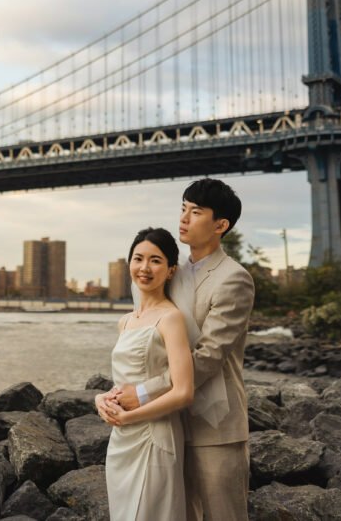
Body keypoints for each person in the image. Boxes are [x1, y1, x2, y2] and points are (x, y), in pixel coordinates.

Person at [98, 178, 255, 521]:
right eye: (182, 209)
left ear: (220, 225)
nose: (183, 217)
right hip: (166, 424)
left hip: (215, 428)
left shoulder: (233, 278)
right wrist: (108, 396)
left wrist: (143, 393)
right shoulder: (171, 272)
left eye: (195, 211)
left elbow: (210, 355)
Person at [103, 227, 194, 521]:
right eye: (138, 258)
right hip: (121, 440)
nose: (144, 268)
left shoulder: (171, 318)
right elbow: (124, 382)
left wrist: (129, 417)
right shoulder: (125, 322)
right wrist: (101, 399)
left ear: (170, 271)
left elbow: (183, 391)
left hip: (154, 435)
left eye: (155, 260)